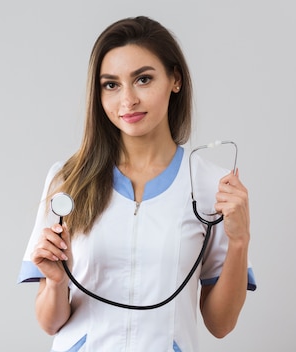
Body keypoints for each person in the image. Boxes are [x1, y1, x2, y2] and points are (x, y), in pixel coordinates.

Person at [17, 16, 256, 352]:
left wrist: (239, 241)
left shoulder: (212, 186)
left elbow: (221, 324)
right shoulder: (67, 179)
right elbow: (50, 322)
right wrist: (56, 283)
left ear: (175, 79)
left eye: (143, 79)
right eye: (111, 85)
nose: (127, 100)